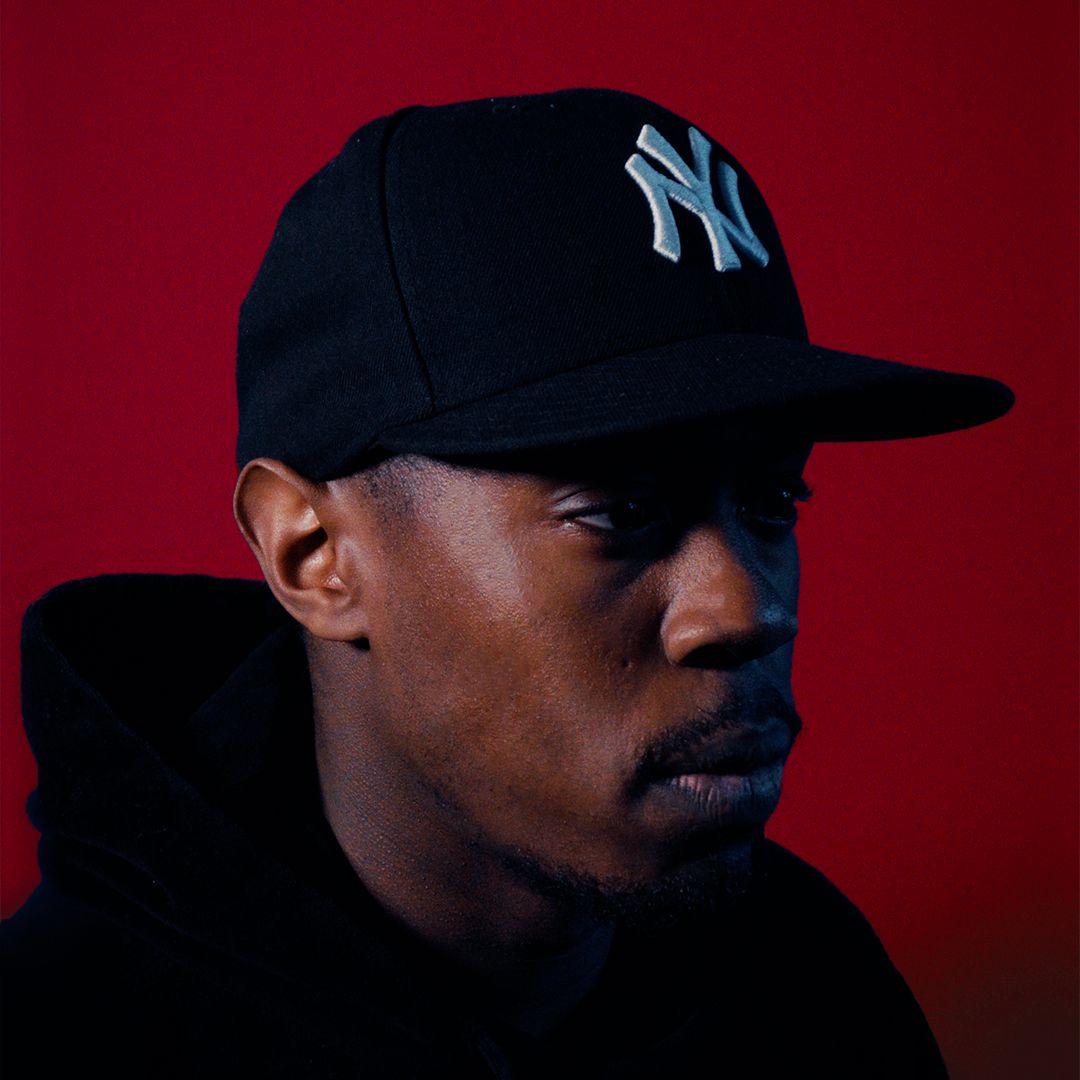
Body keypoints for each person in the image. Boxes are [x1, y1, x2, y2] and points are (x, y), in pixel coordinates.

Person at [2, 89, 1013, 1077]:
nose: (749, 610)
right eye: (619, 512)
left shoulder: (817, 993)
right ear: (315, 556)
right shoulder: (61, 1035)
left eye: (773, 501)